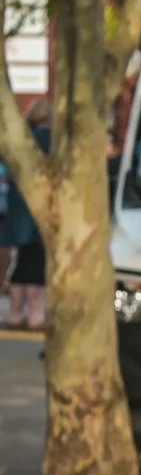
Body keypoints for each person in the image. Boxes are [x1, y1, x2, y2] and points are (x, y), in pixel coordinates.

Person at [2, 97, 50, 331]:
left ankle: (14, 314)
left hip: (15, 208)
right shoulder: (47, 141)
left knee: (21, 263)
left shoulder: (19, 140)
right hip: (37, 211)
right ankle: (35, 315)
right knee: (34, 263)